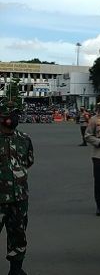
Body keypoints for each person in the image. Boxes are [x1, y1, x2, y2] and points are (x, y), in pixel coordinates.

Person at [0, 99, 34, 275]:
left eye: (14, 113)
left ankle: (16, 269)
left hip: (19, 197)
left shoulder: (24, 139)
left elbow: (28, 162)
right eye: (8, 113)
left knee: (19, 235)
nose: (12, 117)